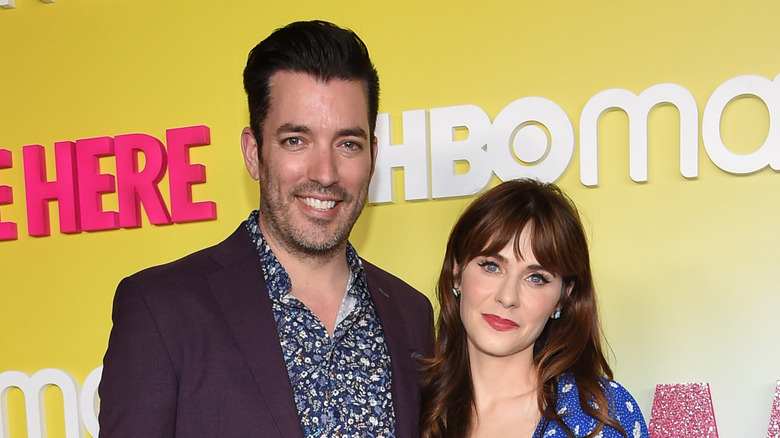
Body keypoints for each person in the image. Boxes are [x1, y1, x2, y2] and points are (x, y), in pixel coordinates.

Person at [98, 20, 434, 438]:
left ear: (373, 155)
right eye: (296, 140)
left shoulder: (411, 313)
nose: (325, 173)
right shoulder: (161, 311)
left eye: (348, 143)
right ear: (254, 153)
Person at [419, 179, 649, 438]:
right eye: (492, 266)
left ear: (563, 297)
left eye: (536, 278)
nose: (507, 297)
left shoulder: (596, 416)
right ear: (457, 272)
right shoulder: (409, 406)